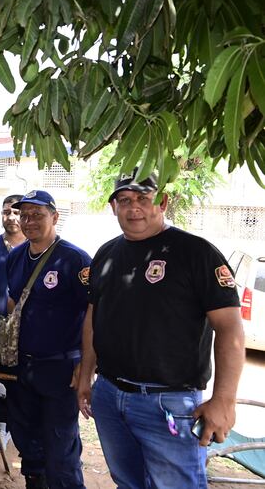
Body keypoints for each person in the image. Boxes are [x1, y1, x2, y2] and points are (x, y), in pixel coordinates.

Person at [76, 171, 245, 488]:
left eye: (143, 198)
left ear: (163, 202)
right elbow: (93, 316)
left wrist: (224, 398)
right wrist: (86, 376)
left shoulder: (197, 253)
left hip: (169, 403)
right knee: (127, 482)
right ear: (113, 207)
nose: (133, 208)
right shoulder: (105, 255)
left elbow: (230, 328)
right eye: (124, 200)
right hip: (110, 396)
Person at [4, 190, 89, 489]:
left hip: (60, 371)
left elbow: (96, 313)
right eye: (24, 215)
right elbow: (14, 303)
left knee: (60, 453)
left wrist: (86, 366)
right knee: (28, 444)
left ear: (55, 217)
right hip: (21, 369)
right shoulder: (15, 256)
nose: (28, 221)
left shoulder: (75, 259)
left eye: (37, 215)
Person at [0, 194, 25, 452]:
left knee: (21, 377)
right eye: (6, 211)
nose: (10, 217)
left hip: (26, 326)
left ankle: (19, 423)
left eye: (15, 212)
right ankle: (0, 424)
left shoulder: (35, 247)